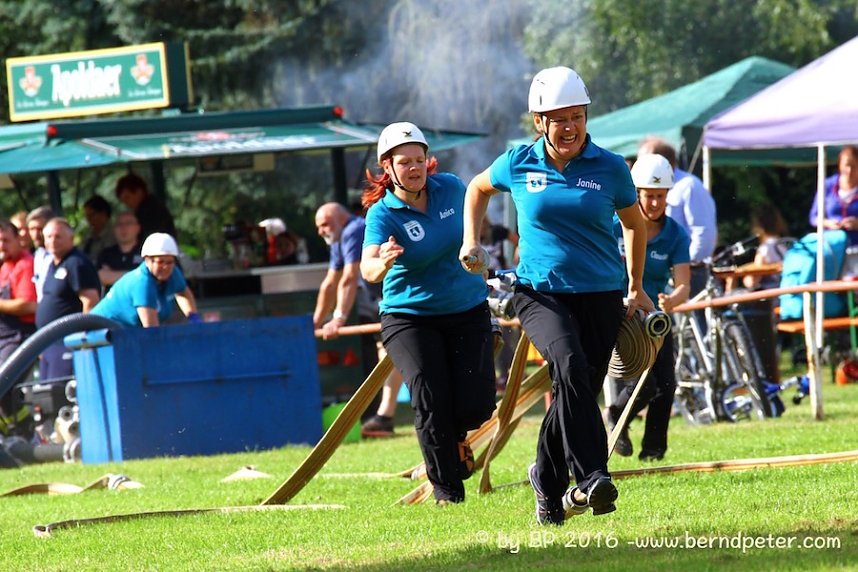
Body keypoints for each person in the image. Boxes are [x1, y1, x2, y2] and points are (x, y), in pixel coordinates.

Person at [460, 66, 653, 524]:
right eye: (558, 118)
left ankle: (546, 481)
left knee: (578, 387)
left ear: (587, 117)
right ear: (539, 121)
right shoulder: (518, 162)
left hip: (602, 294)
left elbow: (635, 224)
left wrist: (636, 285)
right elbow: (476, 188)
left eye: (577, 117)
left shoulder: (609, 167)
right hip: (540, 294)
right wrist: (471, 240)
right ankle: (591, 477)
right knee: (567, 367)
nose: (568, 127)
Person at [361, 121, 496, 503]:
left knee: (477, 406)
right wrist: (383, 262)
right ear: (388, 168)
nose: (414, 167)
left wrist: (475, 247)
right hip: (410, 317)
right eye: (404, 162)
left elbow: (476, 209)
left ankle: (454, 438)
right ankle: (447, 490)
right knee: (428, 395)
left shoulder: (451, 187)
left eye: (419, 159)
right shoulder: (382, 214)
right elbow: (367, 269)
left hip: (466, 308)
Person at [607, 153, 690, 462]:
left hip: (655, 320)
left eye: (660, 196)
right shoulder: (613, 227)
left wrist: (673, 299)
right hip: (619, 316)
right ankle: (616, 416)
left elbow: (683, 284)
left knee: (666, 385)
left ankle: (654, 450)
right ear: (636, 194)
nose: (654, 203)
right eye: (648, 196)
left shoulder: (675, 235)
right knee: (645, 383)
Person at [312, 202, 404, 437]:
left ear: (339, 219)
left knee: (396, 354)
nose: (320, 231)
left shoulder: (353, 230)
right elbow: (330, 283)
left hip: (402, 296)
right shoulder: (339, 238)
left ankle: (385, 415)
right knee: (391, 354)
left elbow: (350, 278)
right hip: (386, 300)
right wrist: (314, 322)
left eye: (324, 225)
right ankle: (384, 416)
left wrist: (338, 319)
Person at [637, 137, 716, 298]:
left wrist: (681, 261)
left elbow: (704, 233)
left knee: (695, 321)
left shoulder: (689, 185)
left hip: (689, 270)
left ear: (661, 162)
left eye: (644, 161)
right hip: (662, 268)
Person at [35, 218, 101, 380]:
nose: (52, 241)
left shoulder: (76, 263)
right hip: (48, 342)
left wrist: (84, 340)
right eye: (49, 237)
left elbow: (90, 301)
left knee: (60, 395)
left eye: (58, 236)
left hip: (68, 341)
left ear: (71, 238)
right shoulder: (52, 263)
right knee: (45, 396)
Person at [92, 233, 200, 328]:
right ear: (147, 260)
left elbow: (183, 293)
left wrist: (194, 318)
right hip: (101, 334)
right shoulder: (142, 283)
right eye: (160, 262)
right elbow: (151, 330)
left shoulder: (173, 272)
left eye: (170, 262)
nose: (165, 267)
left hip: (125, 336)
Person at [0, 220, 38, 440]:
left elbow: (28, 304)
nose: (2, 245)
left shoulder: (25, 264)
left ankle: (26, 433)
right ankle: (11, 434)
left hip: (20, 337)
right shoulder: (4, 266)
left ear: (18, 239)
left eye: (6, 240)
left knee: (4, 385)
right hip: (3, 336)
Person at [480, 217, 520, 390]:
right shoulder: (465, 238)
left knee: (507, 331)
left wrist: (517, 262)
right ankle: (491, 376)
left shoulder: (497, 231)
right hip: (481, 289)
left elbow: (519, 241)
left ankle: (506, 374)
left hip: (501, 285)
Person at [808, 145, 858, 245]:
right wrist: (828, 223)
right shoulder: (827, 185)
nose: (849, 170)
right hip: (832, 247)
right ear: (839, 165)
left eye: (854, 166)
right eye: (846, 165)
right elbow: (813, 217)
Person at [114, 173, 177, 241]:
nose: (126, 203)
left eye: (127, 198)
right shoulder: (150, 207)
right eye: (123, 201)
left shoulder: (151, 210)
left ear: (139, 192)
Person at [743, 206, 789, 291]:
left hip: (770, 295)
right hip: (785, 289)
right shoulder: (784, 246)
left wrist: (745, 279)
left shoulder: (764, 249)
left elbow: (752, 282)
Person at [96, 211, 144, 290]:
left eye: (128, 224)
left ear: (138, 228)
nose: (123, 228)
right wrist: (136, 275)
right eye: (119, 224)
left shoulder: (145, 253)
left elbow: (148, 278)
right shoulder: (106, 254)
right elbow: (100, 277)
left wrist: (111, 275)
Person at [25, 205, 54, 301]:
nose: (36, 235)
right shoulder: (37, 255)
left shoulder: (62, 256)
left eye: (40, 229)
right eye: (32, 229)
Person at [80, 194, 117, 264]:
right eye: (87, 216)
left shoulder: (115, 234)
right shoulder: (88, 235)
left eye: (92, 215)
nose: (89, 219)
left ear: (103, 214)